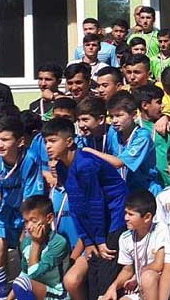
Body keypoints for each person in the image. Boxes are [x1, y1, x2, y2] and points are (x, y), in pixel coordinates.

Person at [43, 117, 128, 300]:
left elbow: (96, 203)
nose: (48, 146)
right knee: (93, 281)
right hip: (96, 226)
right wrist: (88, 241)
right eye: (45, 142)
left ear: (69, 141)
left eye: (53, 141)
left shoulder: (85, 165)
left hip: (114, 219)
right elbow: (76, 205)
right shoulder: (62, 167)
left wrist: (100, 240)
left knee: (106, 279)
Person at [0, 115, 44, 300]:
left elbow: (32, 199)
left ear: (20, 142)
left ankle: (27, 293)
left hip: (30, 212)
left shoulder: (30, 159)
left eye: (5, 140)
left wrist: (26, 227)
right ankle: (3, 296)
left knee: (27, 252)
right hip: (6, 212)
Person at [103, 190, 166, 300]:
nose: (126, 218)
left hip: (158, 284)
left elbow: (158, 264)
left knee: (148, 277)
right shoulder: (125, 238)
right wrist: (113, 286)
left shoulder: (161, 230)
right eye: (126, 213)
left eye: (131, 214)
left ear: (147, 217)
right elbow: (127, 270)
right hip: (139, 288)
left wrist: (138, 276)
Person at [100, 91, 163, 194]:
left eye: (119, 115)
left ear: (133, 115)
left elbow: (118, 163)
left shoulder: (142, 137)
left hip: (146, 191)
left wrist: (88, 150)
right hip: (124, 190)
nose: (114, 120)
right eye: (111, 116)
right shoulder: (113, 131)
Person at [9, 195, 70, 300]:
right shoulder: (26, 243)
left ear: (49, 218)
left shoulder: (58, 242)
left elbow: (33, 275)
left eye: (33, 221)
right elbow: (25, 273)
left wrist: (36, 244)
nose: (29, 227)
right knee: (20, 284)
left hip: (57, 293)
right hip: (36, 290)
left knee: (22, 283)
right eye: (26, 221)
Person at [135, 83, 170, 186]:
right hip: (144, 186)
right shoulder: (135, 128)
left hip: (169, 184)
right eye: (158, 102)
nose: (162, 105)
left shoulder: (168, 127)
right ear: (145, 105)